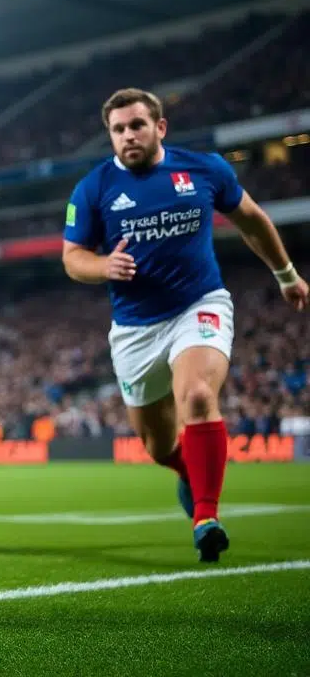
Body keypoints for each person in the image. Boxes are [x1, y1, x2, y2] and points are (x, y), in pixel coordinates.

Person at [63, 87, 307, 562]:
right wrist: (103, 267)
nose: (128, 136)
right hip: (134, 329)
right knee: (157, 445)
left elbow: (253, 220)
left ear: (160, 127)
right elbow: (73, 260)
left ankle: (206, 518)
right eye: (118, 129)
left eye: (137, 125)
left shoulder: (205, 169)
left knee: (197, 396)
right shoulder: (92, 189)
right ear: (109, 136)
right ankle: (187, 472)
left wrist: (287, 275)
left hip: (199, 306)